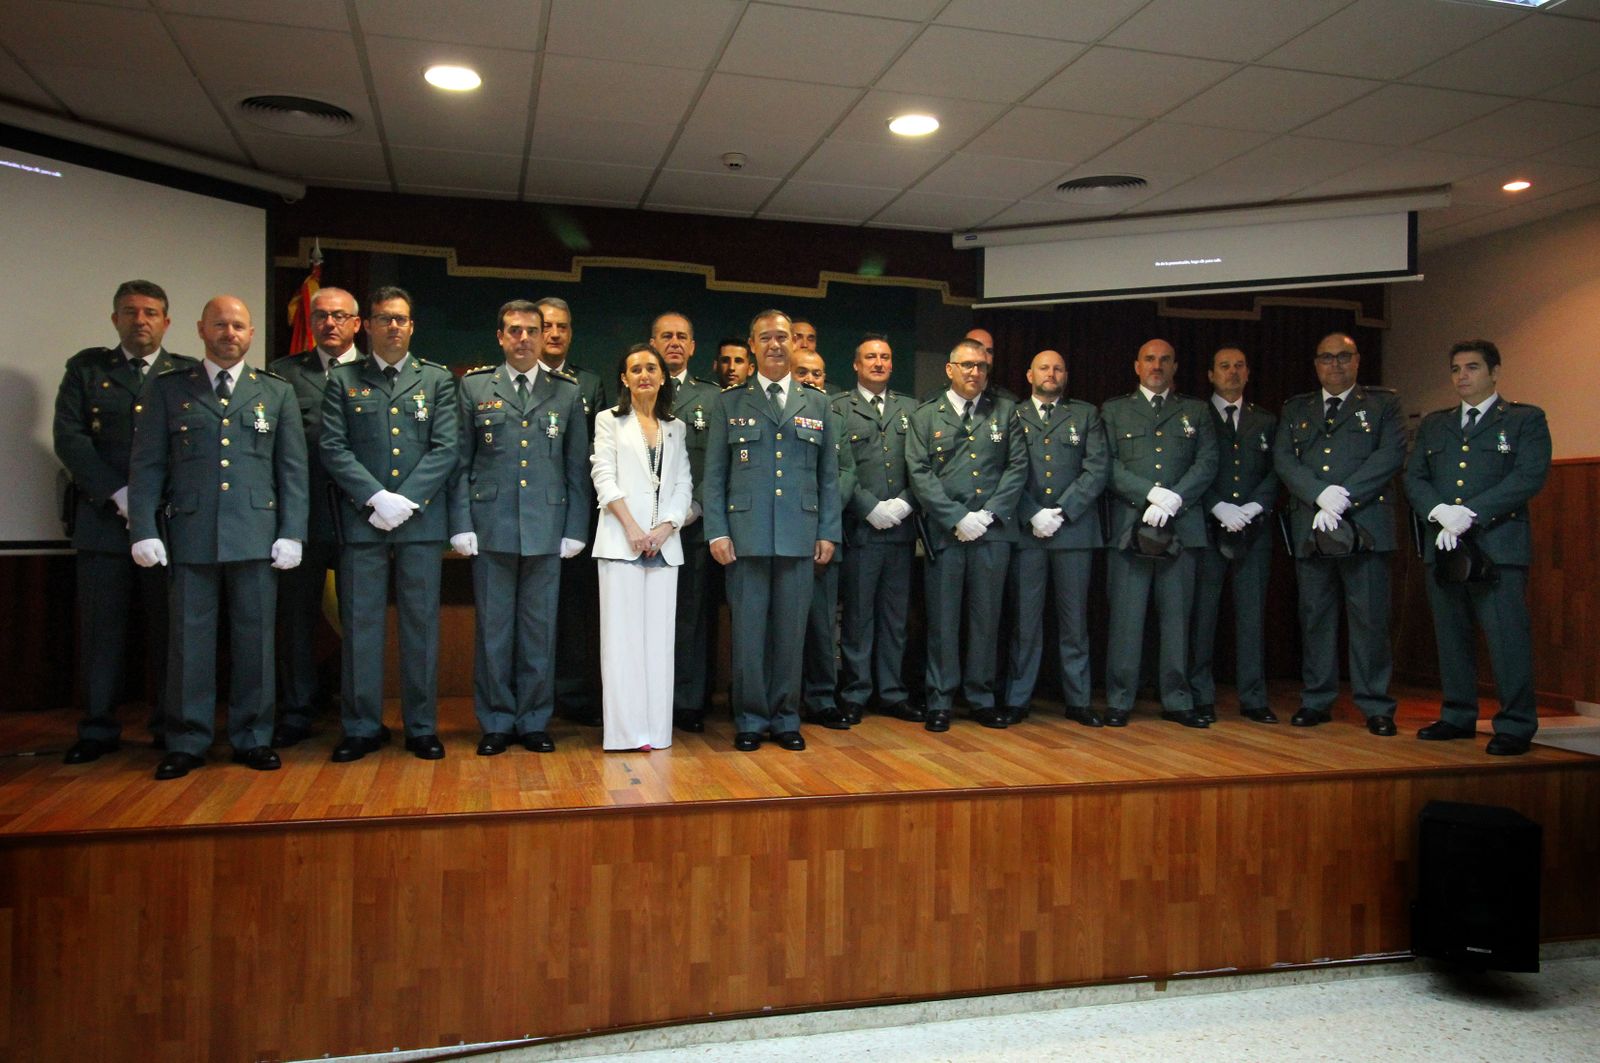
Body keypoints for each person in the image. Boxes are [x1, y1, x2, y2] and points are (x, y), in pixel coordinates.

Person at [127, 296, 307, 780]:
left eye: (239, 326)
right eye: (220, 325)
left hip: (256, 534)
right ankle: (187, 740)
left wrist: (292, 532)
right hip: (190, 533)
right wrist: (144, 528)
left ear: (251, 335)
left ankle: (253, 737)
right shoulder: (168, 390)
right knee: (189, 641)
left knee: (256, 642)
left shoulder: (276, 392)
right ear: (201, 330)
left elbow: (292, 470)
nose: (230, 333)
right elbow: (146, 466)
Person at [54, 280, 195, 763]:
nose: (141, 321)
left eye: (151, 312)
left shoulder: (187, 375)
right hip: (104, 522)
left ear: (167, 322)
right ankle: (96, 729)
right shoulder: (88, 369)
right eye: (131, 312)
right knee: (101, 632)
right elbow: (71, 439)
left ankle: (167, 725)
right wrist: (118, 494)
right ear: (115, 318)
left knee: (169, 632)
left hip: (168, 525)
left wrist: (151, 501)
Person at [320, 286, 459, 761]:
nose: (393, 327)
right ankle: (361, 726)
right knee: (360, 626)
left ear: (412, 326)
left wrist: (408, 500)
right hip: (363, 524)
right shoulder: (342, 380)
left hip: (420, 526)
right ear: (368, 325)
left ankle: (421, 727)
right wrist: (376, 497)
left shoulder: (437, 380)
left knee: (420, 628)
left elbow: (446, 448)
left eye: (401, 319)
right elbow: (333, 447)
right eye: (383, 319)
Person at [450, 300, 590, 755]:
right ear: (500, 336)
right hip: (491, 527)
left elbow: (575, 469)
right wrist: (461, 523)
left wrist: (575, 527)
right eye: (515, 330)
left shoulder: (566, 392)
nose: (525, 338)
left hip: (547, 529)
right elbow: (460, 462)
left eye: (533, 330)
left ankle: (533, 719)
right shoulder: (474, 388)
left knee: (538, 631)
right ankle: (495, 720)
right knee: (494, 631)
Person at [703, 309, 841, 751]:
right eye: (766, 338)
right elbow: (715, 476)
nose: (776, 344)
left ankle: (785, 718)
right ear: (752, 346)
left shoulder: (818, 402)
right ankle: (749, 718)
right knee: (748, 635)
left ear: (795, 343)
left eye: (783, 337)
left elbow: (829, 477)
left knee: (790, 635)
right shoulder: (728, 402)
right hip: (745, 537)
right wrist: (717, 532)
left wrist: (828, 531)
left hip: (800, 536)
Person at [1405, 340, 1551, 756]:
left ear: (1494, 372)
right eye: (1455, 369)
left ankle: (1516, 722)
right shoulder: (1436, 425)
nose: (1462, 376)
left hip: (1497, 544)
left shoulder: (1524, 419)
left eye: (1472, 367)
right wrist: (1438, 511)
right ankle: (1457, 714)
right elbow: (1415, 477)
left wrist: (1471, 512)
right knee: (1451, 636)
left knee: (1507, 638)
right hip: (1446, 544)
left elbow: (1529, 476)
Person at [1274, 332, 1405, 736]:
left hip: (1364, 525)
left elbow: (1390, 455)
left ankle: (1375, 704)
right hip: (1313, 526)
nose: (1335, 365)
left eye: (1343, 357)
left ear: (1357, 361)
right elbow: (1282, 457)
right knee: (1316, 617)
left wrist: (1343, 497)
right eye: (1327, 358)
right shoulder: (1297, 408)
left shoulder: (1383, 404)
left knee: (1369, 619)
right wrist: (1318, 494)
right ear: (1316, 364)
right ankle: (1317, 699)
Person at [906, 338, 1028, 732]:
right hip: (946, 534)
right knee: (943, 620)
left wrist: (989, 514)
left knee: (985, 619)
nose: (975, 372)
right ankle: (939, 699)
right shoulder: (926, 415)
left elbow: (1017, 468)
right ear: (950, 369)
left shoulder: (1006, 411)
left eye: (981, 366)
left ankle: (980, 698)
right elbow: (919, 472)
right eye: (967, 365)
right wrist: (957, 517)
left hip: (992, 534)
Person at [1100, 339, 1218, 728]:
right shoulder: (1114, 411)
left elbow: (1208, 461)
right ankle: (1120, 699)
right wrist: (1148, 494)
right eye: (1149, 359)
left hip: (1181, 528)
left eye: (1165, 359)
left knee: (1178, 620)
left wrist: (1173, 500)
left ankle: (1178, 698)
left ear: (1175, 366)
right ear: (1137, 366)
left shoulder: (1196, 411)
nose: (1157, 365)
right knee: (1126, 620)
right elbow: (1107, 465)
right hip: (1130, 528)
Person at [267, 286, 363, 748]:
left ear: (356, 324)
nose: (330, 324)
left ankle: (358, 713)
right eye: (321, 315)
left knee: (361, 621)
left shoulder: (376, 373)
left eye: (340, 316)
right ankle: (297, 710)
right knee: (297, 621)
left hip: (360, 520)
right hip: (301, 520)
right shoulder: (283, 375)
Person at [591, 344, 693, 751]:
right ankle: (625, 734)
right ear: (624, 378)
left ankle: (656, 732)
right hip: (621, 542)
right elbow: (603, 475)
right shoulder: (608, 421)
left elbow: (684, 482)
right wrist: (634, 528)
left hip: (665, 547)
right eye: (635, 369)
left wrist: (666, 527)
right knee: (621, 644)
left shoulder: (676, 426)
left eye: (652, 368)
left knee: (659, 645)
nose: (644, 374)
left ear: (663, 377)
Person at [1001, 349, 1107, 726]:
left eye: (1058, 368)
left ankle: (1078, 699)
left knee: (1075, 623)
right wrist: (1033, 512)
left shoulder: (1085, 414)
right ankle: (1018, 698)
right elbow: (1006, 469)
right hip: (1027, 533)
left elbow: (1097, 469)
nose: (1051, 373)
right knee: (1024, 622)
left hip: (1073, 532)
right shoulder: (1011, 414)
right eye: (1044, 368)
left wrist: (1061, 512)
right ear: (1029, 374)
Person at [1189, 344, 1279, 725]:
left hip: (1253, 529)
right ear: (1210, 374)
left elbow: (1278, 469)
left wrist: (1256, 506)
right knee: (1203, 616)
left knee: (1252, 616)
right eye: (1224, 366)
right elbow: (1188, 468)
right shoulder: (1193, 415)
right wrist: (1216, 505)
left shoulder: (1265, 420)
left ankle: (1254, 697)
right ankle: (1200, 694)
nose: (1232, 372)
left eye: (1239, 366)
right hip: (1208, 526)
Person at [832, 334, 920, 723]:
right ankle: (855, 691)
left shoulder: (912, 409)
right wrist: (868, 507)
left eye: (885, 357)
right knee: (858, 617)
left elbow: (923, 465)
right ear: (856, 364)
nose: (879, 363)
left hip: (901, 530)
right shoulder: (838, 409)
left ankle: (892, 692)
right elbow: (837, 469)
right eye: (870, 357)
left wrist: (903, 503)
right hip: (862, 530)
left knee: (895, 617)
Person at [652, 312, 722, 732]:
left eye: (682, 337)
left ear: (693, 347)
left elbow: (717, 464)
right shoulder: (635, 390)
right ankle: (649, 696)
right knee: (646, 616)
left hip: (693, 528)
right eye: (666, 336)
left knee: (692, 617)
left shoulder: (712, 399)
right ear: (652, 342)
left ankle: (688, 701)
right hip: (641, 531)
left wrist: (694, 508)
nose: (674, 343)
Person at [537, 295, 605, 727]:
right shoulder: (504, 383)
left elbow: (597, 452)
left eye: (563, 327)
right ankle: (532, 696)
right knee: (533, 612)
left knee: (577, 613)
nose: (555, 334)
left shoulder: (588, 384)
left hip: (578, 516)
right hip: (528, 514)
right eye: (547, 326)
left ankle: (575, 696)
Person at [790, 347, 850, 728]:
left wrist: (822, 521)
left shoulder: (834, 416)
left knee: (821, 627)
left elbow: (844, 475)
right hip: (783, 536)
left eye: (819, 373)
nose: (812, 379)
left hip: (822, 534)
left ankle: (823, 699)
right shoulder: (776, 412)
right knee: (782, 627)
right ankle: (783, 700)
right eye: (803, 373)